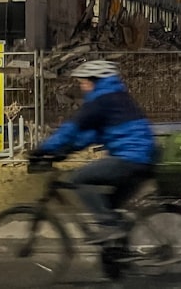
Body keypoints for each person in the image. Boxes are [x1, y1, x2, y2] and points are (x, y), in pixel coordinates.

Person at [29, 59, 157, 243]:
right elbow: (89, 135)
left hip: (129, 159)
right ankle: (119, 259)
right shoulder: (117, 97)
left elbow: (72, 128)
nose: (82, 87)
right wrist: (67, 151)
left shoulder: (100, 100)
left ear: (94, 80)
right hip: (143, 160)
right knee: (109, 207)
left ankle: (108, 227)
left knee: (79, 179)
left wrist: (43, 149)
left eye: (83, 82)